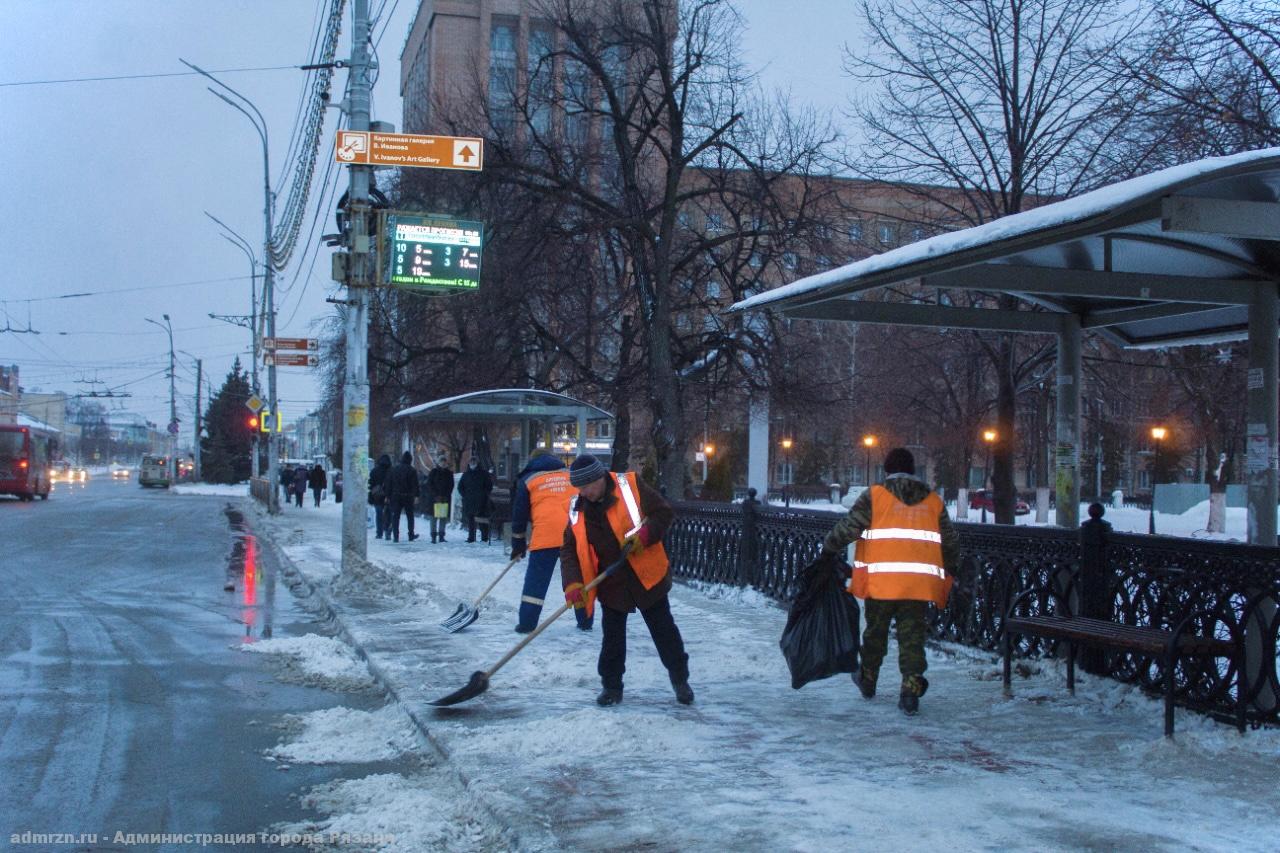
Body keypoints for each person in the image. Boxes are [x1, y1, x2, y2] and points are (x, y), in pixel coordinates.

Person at [819, 447, 959, 716]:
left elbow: (850, 527)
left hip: (881, 582)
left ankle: (868, 679)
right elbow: (950, 541)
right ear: (913, 469)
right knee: (912, 636)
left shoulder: (875, 496)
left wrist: (829, 548)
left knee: (875, 632)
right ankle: (910, 689)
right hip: (918, 584)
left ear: (887, 470)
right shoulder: (932, 501)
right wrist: (952, 566)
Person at [560, 454, 692, 707]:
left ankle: (680, 680)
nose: (585, 492)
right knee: (612, 637)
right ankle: (611, 687)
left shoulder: (630, 486)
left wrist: (644, 536)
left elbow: (663, 514)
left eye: (588, 486)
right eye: (580, 488)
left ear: (600, 478)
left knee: (664, 631)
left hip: (645, 574)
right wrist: (573, 584)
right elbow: (568, 550)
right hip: (611, 581)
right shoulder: (578, 509)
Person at [509, 451, 591, 633]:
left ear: (533, 461)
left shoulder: (529, 479)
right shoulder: (570, 475)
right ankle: (585, 619)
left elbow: (519, 516)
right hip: (575, 533)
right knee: (576, 577)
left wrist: (518, 545)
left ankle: (527, 624)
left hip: (545, 534)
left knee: (536, 580)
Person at [457, 457, 495, 543]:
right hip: (469, 501)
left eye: (474, 462)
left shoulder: (484, 474)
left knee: (482, 519)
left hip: (481, 501)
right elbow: (460, 487)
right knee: (471, 520)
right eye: (471, 462)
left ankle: (484, 537)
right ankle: (471, 537)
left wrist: (484, 495)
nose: (472, 463)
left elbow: (489, 486)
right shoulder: (466, 474)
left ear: (477, 463)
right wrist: (465, 495)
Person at [388, 451, 421, 543]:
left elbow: (389, 483)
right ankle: (411, 535)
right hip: (408, 496)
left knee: (396, 517)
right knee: (410, 516)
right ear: (410, 460)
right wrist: (416, 496)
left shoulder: (394, 469)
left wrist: (388, 495)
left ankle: (395, 536)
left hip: (396, 496)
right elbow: (415, 485)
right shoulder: (412, 470)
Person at [425, 457, 454, 543]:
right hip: (434, 499)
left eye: (444, 462)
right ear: (438, 463)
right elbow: (429, 485)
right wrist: (435, 495)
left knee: (443, 518)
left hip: (445, 498)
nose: (443, 463)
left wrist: (446, 495)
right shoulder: (433, 472)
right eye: (441, 462)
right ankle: (433, 536)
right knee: (433, 518)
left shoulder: (449, 473)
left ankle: (441, 535)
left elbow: (451, 486)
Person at [369, 454, 392, 539]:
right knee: (388, 514)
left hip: (377, 496)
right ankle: (387, 530)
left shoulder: (374, 471)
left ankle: (379, 533)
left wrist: (370, 497)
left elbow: (370, 484)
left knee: (379, 514)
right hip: (388, 496)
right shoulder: (391, 471)